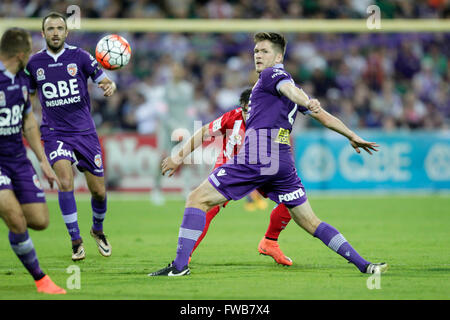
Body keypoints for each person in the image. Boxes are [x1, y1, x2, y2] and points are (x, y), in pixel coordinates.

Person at [149, 32, 388, 277]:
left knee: (196, 199)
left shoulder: (273, 75)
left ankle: (179, 267)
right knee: (310, 222)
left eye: (263, 51)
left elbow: (290, 90)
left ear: (278, 56)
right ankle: (365, 265)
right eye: (255, 52)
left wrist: (307, 101)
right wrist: (351, 134)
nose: (258, 56)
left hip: (258, 154)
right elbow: (322, 115)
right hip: (282, 160)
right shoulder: (287, 87)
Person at [161, 88, 295, 266]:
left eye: (254, 108)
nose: (250, 113)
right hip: (231, 169)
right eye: (246, 109)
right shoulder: (232, 118)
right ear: (241, 107)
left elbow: (284, 147)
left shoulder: (273, 120)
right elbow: (203, 132)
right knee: (207, 207)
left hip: (263, 170)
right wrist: (178, 157)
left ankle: (269, 242)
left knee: (292, 201)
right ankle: (186, 255)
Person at [25, 12, 116, 261]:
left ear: (67, 32)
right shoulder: (34, 64)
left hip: (85, 132)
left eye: (60, 28)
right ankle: (76, 241)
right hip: (55, 133)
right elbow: (28, 99)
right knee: (65, 181)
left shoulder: (81, 57)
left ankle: (97, 230)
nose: (55, 32)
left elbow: (105, 81)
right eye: (50, 28)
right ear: (43, 34)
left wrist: (109, 86)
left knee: (98, 191)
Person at [0, 27, 65, 294]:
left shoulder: (22, 80)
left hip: (17, 158)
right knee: (15, 218)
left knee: (38, 220)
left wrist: (43, 161)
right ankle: (41, 279)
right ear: (20, 54)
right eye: (29, 51)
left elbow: (28, 122)